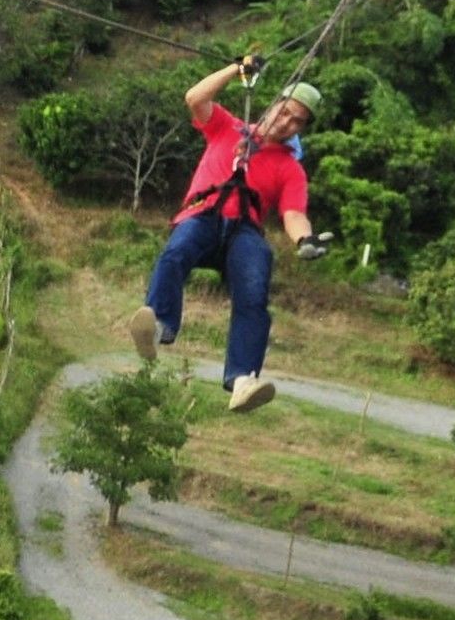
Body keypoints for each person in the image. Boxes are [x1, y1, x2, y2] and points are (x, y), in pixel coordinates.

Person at [123, 55, 325, 412]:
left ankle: (243, 379)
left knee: (254, 287)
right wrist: (237, 69)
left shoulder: (289, 168)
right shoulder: (227, 128)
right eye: (286, 112)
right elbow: (195, 98)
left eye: (298, 122)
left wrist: (303, 240)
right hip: (203, 216)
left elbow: (293, 213)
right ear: (274, 104)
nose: (288, 123)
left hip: (244, 231)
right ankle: (160, 325)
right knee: (176, 252)